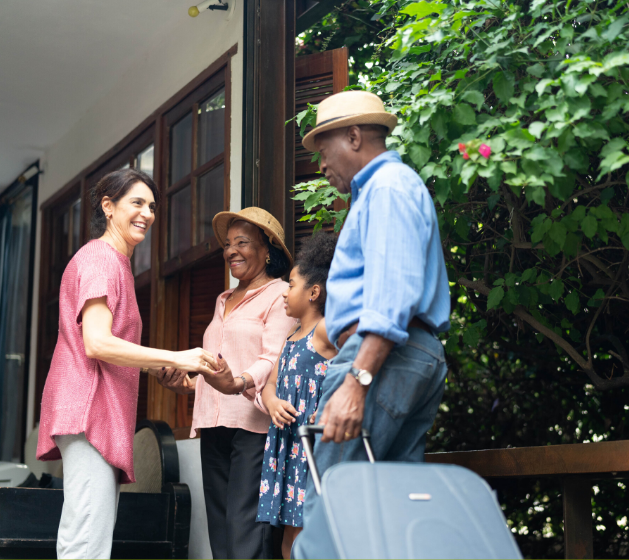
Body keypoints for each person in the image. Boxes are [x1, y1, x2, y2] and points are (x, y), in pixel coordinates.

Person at [36, 168, 221, 560]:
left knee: (91, 530)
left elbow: (110, 345)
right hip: (89, 408)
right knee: (87, 536)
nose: (147, 213)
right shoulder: (101, 259)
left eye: (152, 206)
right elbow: (98, 343)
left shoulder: (116, 263)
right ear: (108, 207)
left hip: (95, 408)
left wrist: (157, 370)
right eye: (136, 203)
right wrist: (175, 356)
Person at [299, 91, 451, 519]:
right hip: (409, 355)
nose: (322, 165)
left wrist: (356, 383)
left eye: (324, 152)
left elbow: (392, 295)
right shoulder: (386, 189)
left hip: (383, 358)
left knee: (332, 511)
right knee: (388, 517)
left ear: (352, 137)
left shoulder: (386, 188)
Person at [157, 207, 297, 559]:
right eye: (228, 244)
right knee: (220, 528)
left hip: (255, 426)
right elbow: (215, 368)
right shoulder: (222, 299)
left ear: (268, 250)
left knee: (246, 528)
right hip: (213, 423)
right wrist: (186, 385)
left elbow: (272, 358)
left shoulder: (279, 295)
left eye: (242, 242)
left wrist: (239, 382)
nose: (231, 250)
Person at [255, 233, 338, 559]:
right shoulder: (291, 337)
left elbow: (350, 369)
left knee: (311, 527)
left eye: (291, 286)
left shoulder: (326, 330)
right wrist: (272, 402)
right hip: (288, 442)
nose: (285, 294)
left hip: (311, 444)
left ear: (314, 292)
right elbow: (270, 384)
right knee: (291, 531)